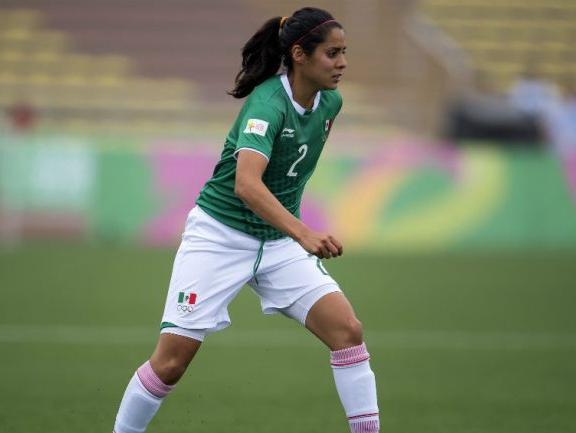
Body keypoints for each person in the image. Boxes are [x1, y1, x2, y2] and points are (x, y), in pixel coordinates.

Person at [111, 7, 380, 433]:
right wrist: (304, 231)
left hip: (277, 243)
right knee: (171, 363)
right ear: (298, 54)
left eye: (344, 52)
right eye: (332, 54)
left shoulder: (331, 101)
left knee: (347, 331)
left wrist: (292, 234)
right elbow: (247, 185)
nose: (342, 63)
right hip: (220, 236)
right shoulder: (267, 104)